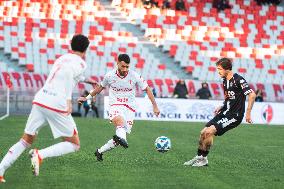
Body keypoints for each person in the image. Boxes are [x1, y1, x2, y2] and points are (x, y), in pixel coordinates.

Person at [0, 34, 95, 182]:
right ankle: (39, 155)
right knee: (74, 144)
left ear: (71, 46)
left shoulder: (62, 58)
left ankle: (1, 170)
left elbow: (67, 74)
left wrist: (88, 80)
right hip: (57, 103)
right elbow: (69, 74)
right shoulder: (82, 63)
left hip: (41, 99)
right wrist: (69, 100)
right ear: (85, 50)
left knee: (26, 139)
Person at [78, 54, 160, 161]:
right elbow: (100, 88)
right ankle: (122, 138)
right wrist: (87, 97)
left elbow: (148, 89)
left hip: (129, 108)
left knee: (118, 138)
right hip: (115, 104)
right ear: (118, 63)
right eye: (123, 66)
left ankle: (100, 151)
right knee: (120, 123)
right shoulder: (110, 76)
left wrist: (155, 106)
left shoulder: (134, 75)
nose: (125, 69)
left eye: (127, 67)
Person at [184, 58, 256, 167]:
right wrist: (222, 106)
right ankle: (200, 157)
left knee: (209, 132)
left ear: (227, 69)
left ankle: (203, 160)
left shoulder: (239, 80)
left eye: (220, 69)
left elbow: (252, 95)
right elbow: (229, 97)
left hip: (234, 116)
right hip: (224, 112)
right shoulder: (224, 80)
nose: (218, 71)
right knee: (203, 132)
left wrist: (248, 113)